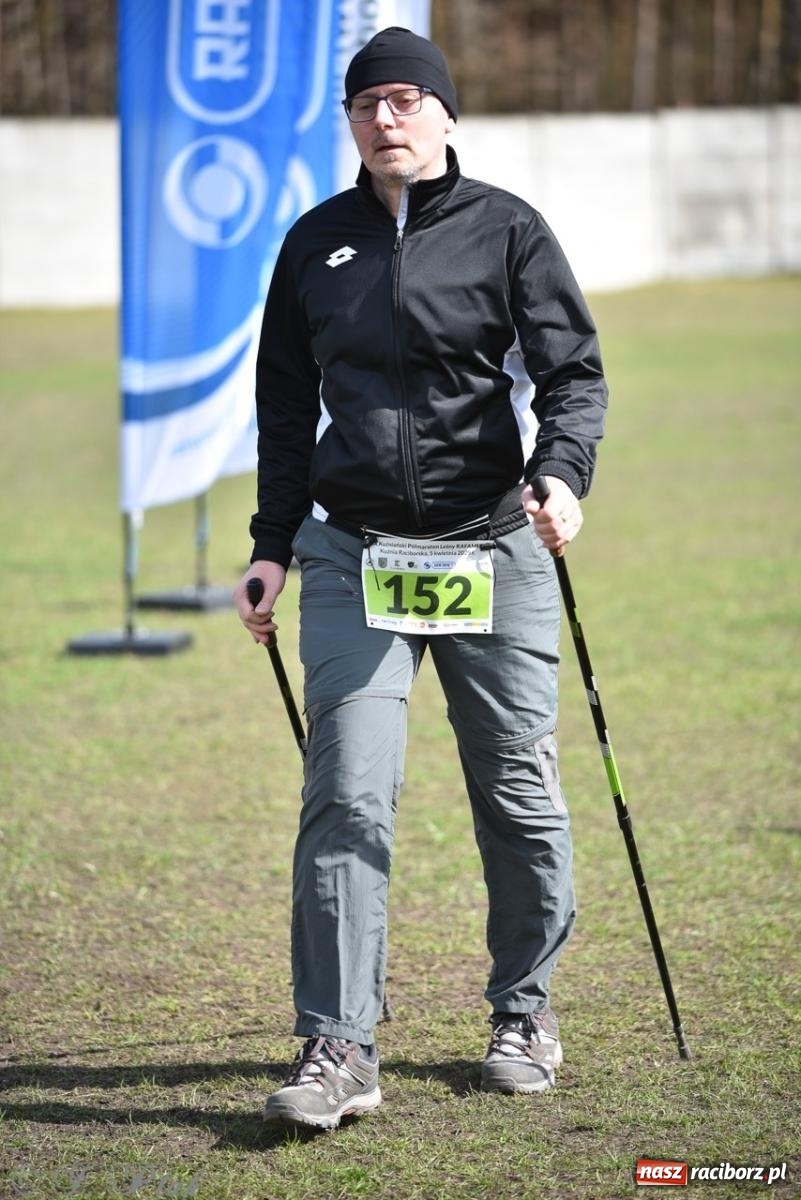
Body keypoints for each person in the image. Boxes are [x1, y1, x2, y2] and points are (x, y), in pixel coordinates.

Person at [234, 26, 608, 1130]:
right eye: (366, 105)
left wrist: (562, 473)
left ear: (444, 114)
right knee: (345, 794)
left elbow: (572, 374)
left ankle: (525, 1008)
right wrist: (269, 543)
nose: (385, 119)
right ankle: (339, 1043)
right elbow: (282, 408)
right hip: (353, 556)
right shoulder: (316, 244)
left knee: (520, 797)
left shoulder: (508, 231)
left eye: (404, 99)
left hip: (495, 545)